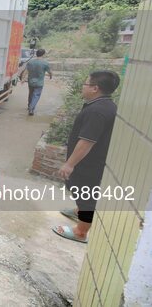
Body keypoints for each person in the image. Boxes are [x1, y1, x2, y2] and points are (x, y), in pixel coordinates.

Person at [53, 70, 120, 243]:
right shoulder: (105, 105)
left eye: (85, 83)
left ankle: (80, 232)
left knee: (86, 194)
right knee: (83, 192)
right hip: (93, 161)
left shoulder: (97, 111)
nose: (83, 87)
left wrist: (69, 164)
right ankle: (78, 211)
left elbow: (87, 141)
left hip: (90, 163)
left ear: (95, 88)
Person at [22, 49, 52, 115]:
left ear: (36, 54)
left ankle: (29, 106)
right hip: (39, 83)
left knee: (31, 94)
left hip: (31, 82)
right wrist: (51, 76)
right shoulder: (45, 63)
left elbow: (26, 71)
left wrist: (23, 78)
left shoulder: (31, 62)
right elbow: (49, 72)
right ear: (43, 54)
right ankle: (31, 109)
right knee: (36, 95)